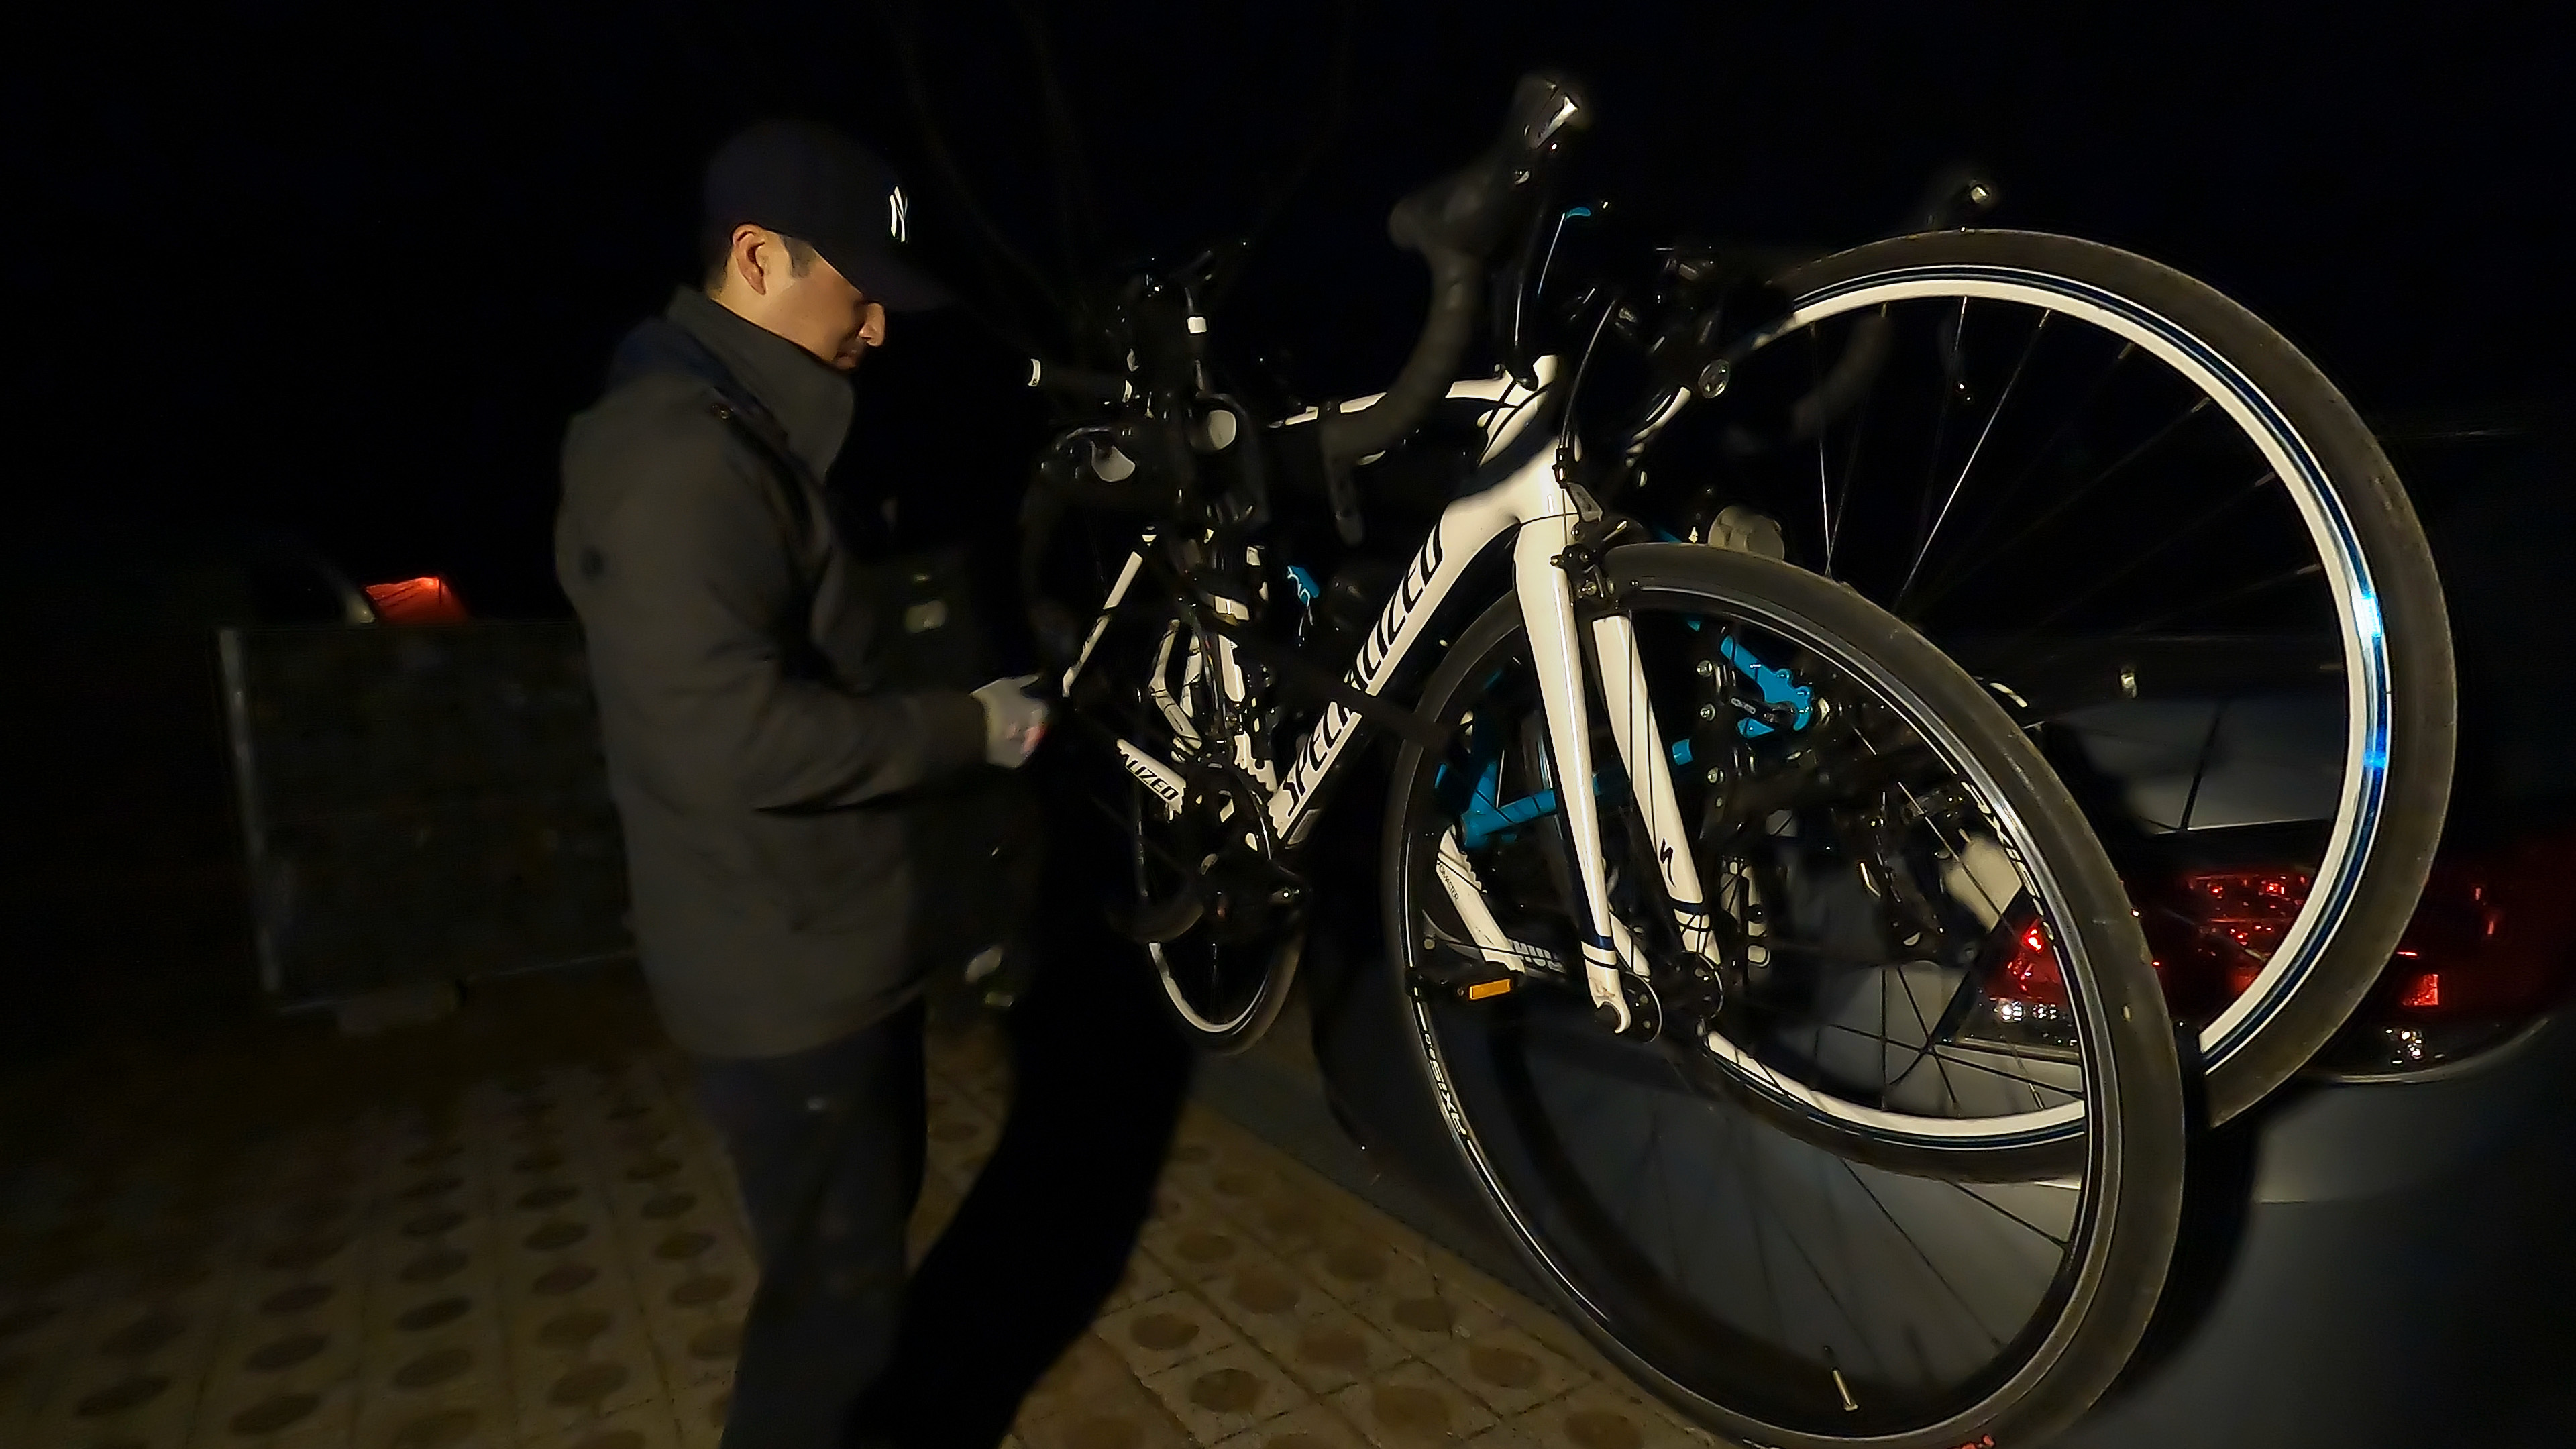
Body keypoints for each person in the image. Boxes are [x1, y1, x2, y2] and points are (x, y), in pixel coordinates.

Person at [555, 119, 1051, 1449]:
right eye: (860, 290)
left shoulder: (750, 429)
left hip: (823, 948)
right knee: (831, 1323)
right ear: (759, 257)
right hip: (783, 981)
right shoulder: (676, 460)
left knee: (855, 1280)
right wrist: (969, 731)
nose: (878, 328)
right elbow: (730, 738)